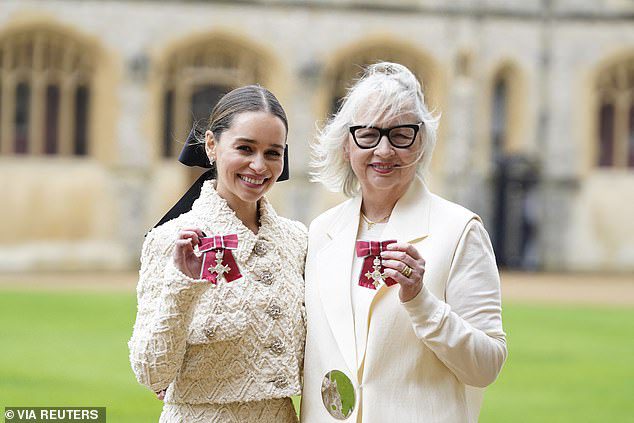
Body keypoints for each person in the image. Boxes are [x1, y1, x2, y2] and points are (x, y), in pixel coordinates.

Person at [301, 63, 507, 422]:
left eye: (401, 134)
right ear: (347, 145)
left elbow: (485, 367)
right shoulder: (321, 231)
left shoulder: (459, 230)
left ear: (421, 142)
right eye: (368, 134)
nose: (383, 151)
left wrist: (420, 301)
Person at [128, 85, 307, 422]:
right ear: (211, 145)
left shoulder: (297, 241)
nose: (259, 165)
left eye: (273, 153)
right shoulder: (171, 240)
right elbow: (152, 373)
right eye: (245, 148)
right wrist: (183, 287)